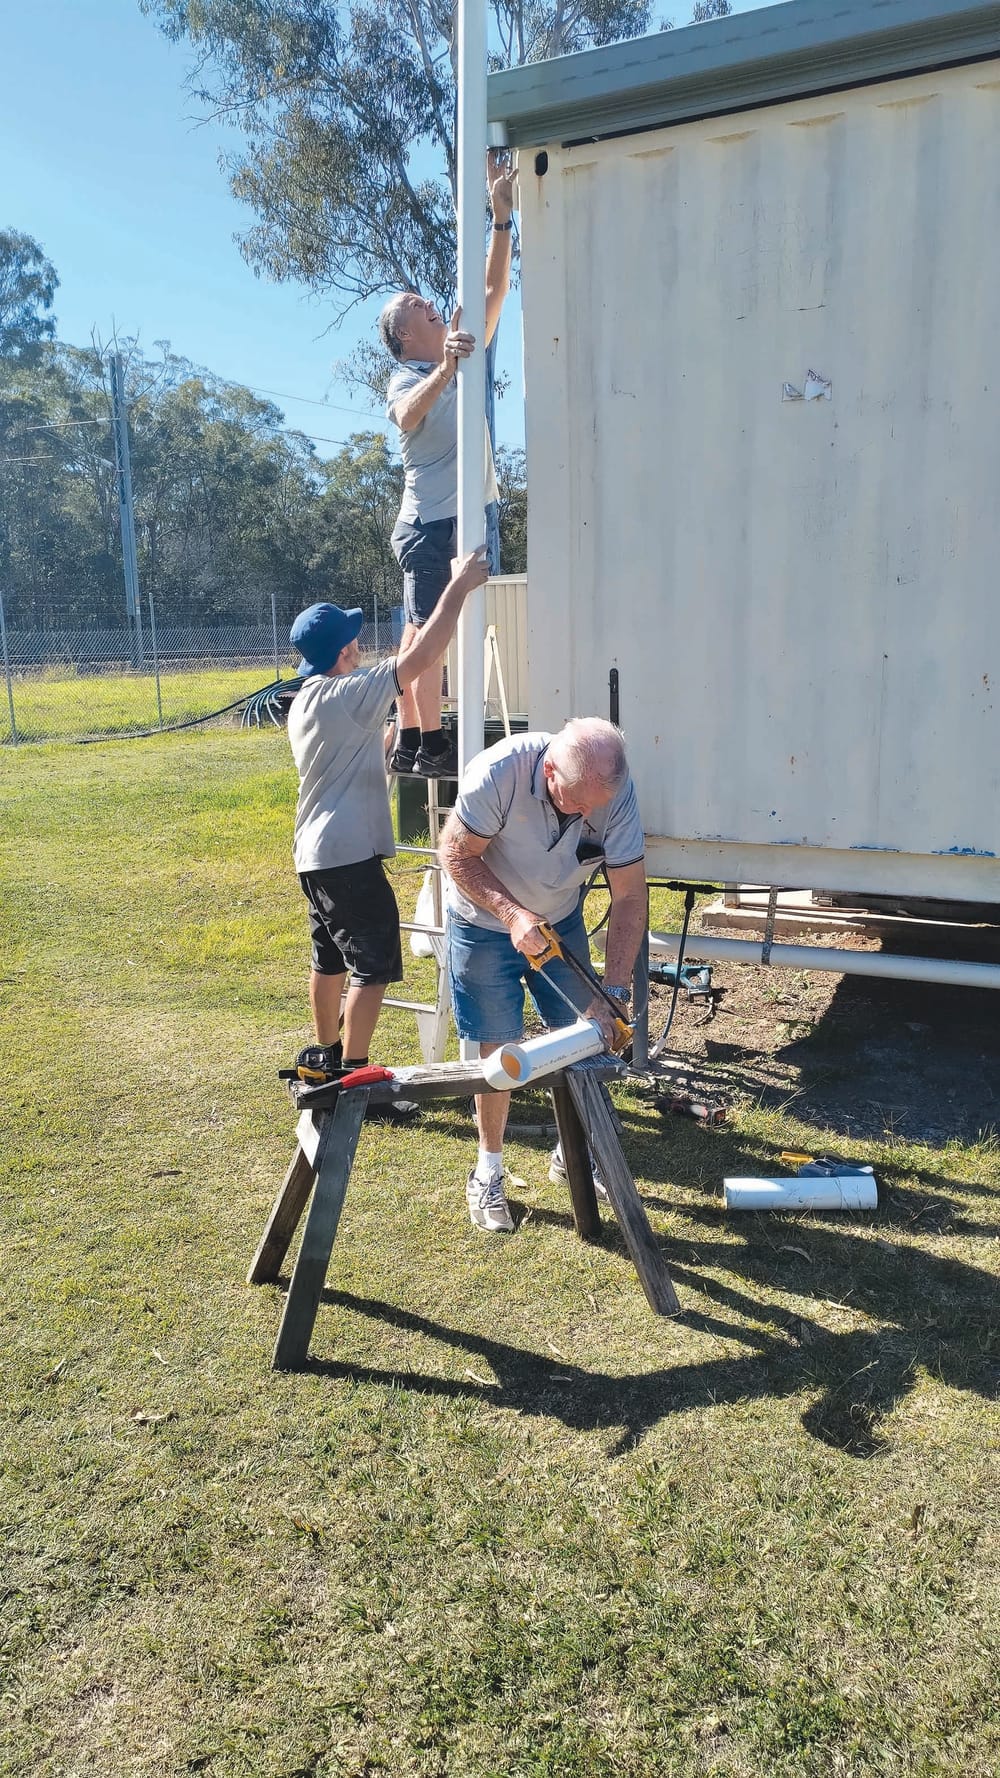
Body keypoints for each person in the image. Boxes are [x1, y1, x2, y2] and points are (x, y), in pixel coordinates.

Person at [286, 547, 490, 1084]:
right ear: (345, 650)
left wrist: (402, 727)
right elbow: (423, 657)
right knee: (373, 964)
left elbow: (371, 743)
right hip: (349, 855)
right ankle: (353, 1075)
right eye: (353, 638)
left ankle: (327, 1054)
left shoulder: (307, 699)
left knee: (328, 957)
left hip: (315, 854)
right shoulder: (345, 692)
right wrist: (460, 586)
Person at [438, 719, 648, 1232]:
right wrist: (512, 916)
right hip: (483, 921)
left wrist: (614, 989)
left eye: (594, 807)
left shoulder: (609, 792)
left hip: (560, 917)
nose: (587, 815)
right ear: (549, 768)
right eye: (576, 803)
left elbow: (630, 896)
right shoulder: (498, 773)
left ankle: (574, 1154)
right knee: (498, 1049)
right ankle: (488, 1170)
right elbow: (454, 854)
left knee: (587, 1036)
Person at [377, 150, 515, 780]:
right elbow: (408, 417)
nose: (430, 303)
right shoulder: (405, 375)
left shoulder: (464, 347)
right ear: (404, 335)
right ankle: (420, 738)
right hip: (429, 523)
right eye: (416, 306)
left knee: (441, 630)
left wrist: (502, 219)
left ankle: (420, 736)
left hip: (471, 512)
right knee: (425, 632)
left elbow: (492, 290)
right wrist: (447, 369)